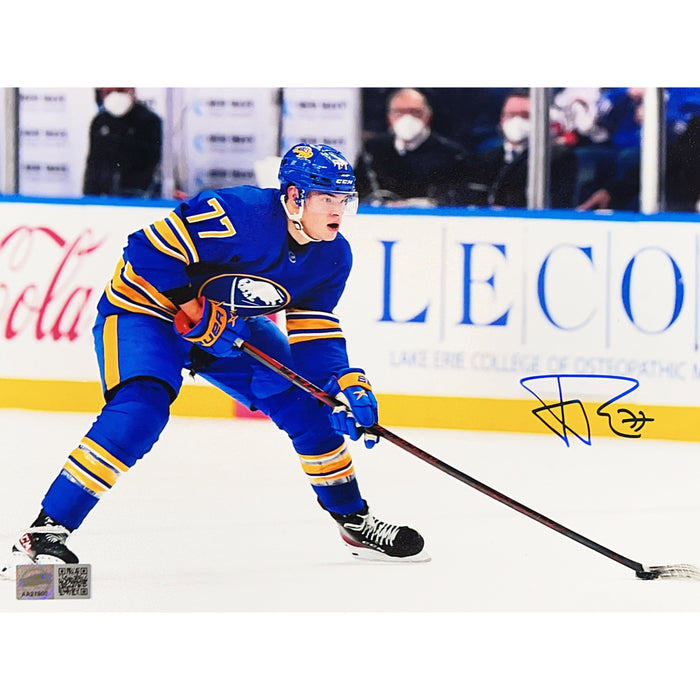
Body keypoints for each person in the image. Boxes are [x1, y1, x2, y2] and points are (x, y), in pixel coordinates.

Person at [1, 143, 428, 580]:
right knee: (140, 411)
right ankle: (43, 535)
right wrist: (191, 310)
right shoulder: (238, 212)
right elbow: (145, 250)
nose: (338, 212)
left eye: (345, 201)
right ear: (296, 196)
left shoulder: (333, 256)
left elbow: (315, 337)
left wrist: (344, 384)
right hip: (146, 313)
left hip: (226, 325)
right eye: (327, 199)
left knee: (311, 406)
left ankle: (353, 521)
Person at [353, 88, 470, 207]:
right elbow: (357, 191)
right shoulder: (372, 150)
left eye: (415, 112)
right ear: (389, 117)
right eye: (399, 112)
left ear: (428, 116)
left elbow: (460, 197)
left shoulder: (452, 155)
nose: (407, 119)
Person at [463, 89, 579, 209]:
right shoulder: (483, 159)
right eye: (511, 115)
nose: (516, 121)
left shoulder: (556, 159)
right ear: (502, 119)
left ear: (541, 120)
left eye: (525, 115)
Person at [83, 87, 163, 198]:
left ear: (132, 91)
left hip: (139, 195)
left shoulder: (149, 120)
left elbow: (153, 162)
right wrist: (89, 197)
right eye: (109, 92)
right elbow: (93, 164)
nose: (115, 96)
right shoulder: (99, 121)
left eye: (120, 91)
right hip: (106, 197)